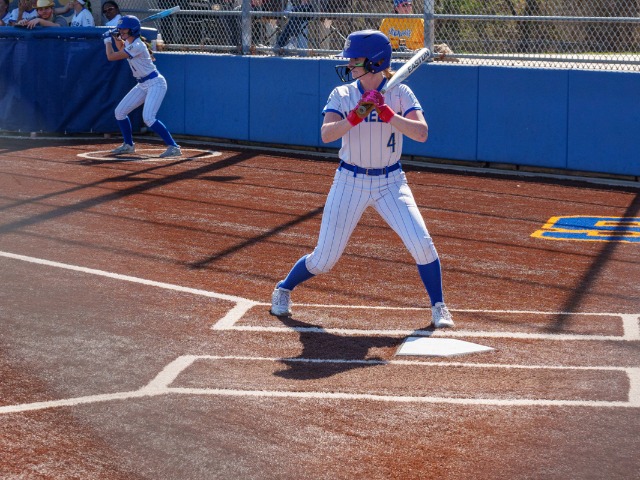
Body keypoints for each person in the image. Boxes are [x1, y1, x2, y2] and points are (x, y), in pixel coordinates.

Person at [269, 29, 454, 329]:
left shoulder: (401, 94)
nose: (349, 64)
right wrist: (356, 115)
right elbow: (327, 134)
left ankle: (438, 306)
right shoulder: (342, 94)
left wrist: (387, 113)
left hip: (391, 182)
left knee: (422, 244)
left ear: (375, 61)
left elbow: (421, 133)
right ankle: (284, 288)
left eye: (355, 59)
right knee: (324, 259)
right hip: (350, 181)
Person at [102, 15, 181, 158]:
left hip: (155, 83)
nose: (121, 31)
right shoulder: (129, 42)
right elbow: (121, 47)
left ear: (133, 30)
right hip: (142, 84)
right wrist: (116, 38)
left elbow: (112, 56)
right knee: (120, 112)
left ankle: (174, 147)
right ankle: (128, 145)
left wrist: (108, 41)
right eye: (120, 29)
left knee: (148, 118)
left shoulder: (137, 45)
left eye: (124, 29)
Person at [379, 0, 457, 61]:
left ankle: (458, 68)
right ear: (396, 8)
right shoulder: (387, 21)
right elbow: (381, 42)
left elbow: (427, 42)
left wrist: (410, 46)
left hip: (415, 51)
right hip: (394, 51)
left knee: (443, 48)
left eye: (410, 5)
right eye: (404, 5)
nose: (408, 7)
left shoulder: (418, 20)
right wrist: (397, 44)